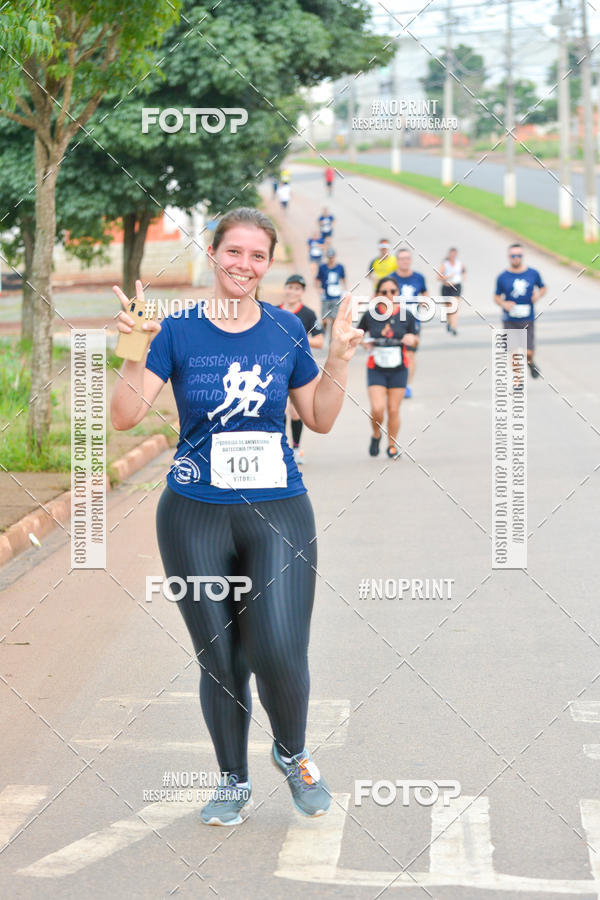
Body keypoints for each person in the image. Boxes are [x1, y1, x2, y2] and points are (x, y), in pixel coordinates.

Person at [110, 208, 363, 827]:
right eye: (234, 252)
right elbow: (123, 416)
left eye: (257, 256)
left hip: (277, 509)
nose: (244, 266)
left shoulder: (283, 330)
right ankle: (231, 779)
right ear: (213, 252)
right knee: (222, 659)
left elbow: (320, 417)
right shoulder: (177, 330)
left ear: (268, 264)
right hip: (195, 515)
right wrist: (132, 345)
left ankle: (293, 751)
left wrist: (339, 357)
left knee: (279, 648)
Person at [359, 277, 419, 458]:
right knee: (378, 409)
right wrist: (364, 343)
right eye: (384, 292)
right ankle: (376, 434)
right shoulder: (370, 315)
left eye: (393, 291)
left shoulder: (406, 315)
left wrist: (412, 340)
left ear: (398, 293)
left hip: (399, 368)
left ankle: (392, 445)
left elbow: (415, 339)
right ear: (377, 295)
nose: (389, 295)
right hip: (376, 367)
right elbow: (358, 335)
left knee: (393, 409)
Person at [280, 274, 324, 463]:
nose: (292, 291)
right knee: (279, 409)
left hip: (299, 368)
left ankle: (297, 448)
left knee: (296, 412)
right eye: (290, 287)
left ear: (302, 292)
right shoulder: (274, 311)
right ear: (285, 289)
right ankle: (280, 447)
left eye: (297, 288)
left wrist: (299, 340)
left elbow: (320, 341)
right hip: (277, 366)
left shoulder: (308, 314)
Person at [494, 242, 546, 378]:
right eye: (513, 256)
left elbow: (543, 287)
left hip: (527, 318)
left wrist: (538, 294)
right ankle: (518, 382)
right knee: (514, 351)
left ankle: (530, 362)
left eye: (518, 255)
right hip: (509, 319)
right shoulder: (503, 277)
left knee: (528, 351)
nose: (516, 258)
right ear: (508, 257)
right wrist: (503, 304)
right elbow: (496, 296)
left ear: (522, 256)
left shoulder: (532, 273)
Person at [389, 248, 427, 398]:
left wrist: (424, 301)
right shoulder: (391, 279)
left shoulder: (419, 278)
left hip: (413, 323)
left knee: (410, 354)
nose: (405, 261)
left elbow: (425, 293)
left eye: (407, 258)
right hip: (394, 322)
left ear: (410, 260)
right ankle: (394, 382)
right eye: (402, 259)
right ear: (397, 261)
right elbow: (381, 297)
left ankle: (407, 386)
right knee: (395, 353)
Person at [316, 247, 346, 341]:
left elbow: (343, 279)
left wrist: (345, 289)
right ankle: (323, 333)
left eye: (332, 257)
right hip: (325, 296)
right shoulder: (322, 267)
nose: (331, 259)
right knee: (324, 319)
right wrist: (319, 289)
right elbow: (318, 279)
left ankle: (331, 338)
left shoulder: (340, 267)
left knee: (334, 318)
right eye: (329, 257)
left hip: (336, 295)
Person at [437, 246, 465, 336]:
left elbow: (464, 271)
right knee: (448, 307)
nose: (453, 256)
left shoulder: (459, 264)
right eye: (451, 254)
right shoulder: (445, 264)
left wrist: (463, 277)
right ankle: (449, 322)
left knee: (455, 306)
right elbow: (438, 277)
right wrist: (447, 277)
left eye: (454, 254)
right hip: (446, 287)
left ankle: (454, 327)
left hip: (456, 286)